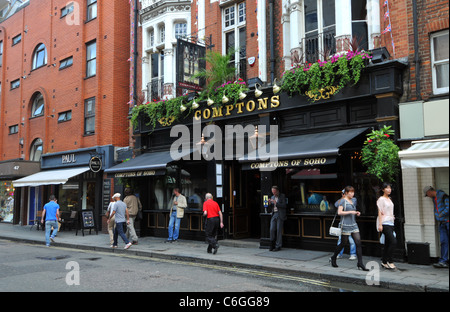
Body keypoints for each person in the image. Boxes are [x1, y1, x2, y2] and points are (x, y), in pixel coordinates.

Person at [329, 186, 368, 271]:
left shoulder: (353, 200)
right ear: (346, 193)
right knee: (343, 243)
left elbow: (353, 211)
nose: (352, 194)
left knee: (358, 243)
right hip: (345, 225)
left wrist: (357, 212)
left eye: (353, 192)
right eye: (350, 192)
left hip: (353, 225)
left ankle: (360, 263)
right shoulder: (342, 201)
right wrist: (350, 212)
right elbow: (339, 212)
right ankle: (334, 257)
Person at [424, 186, 449, 268]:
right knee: (443, 242)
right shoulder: (433, 198)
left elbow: (448, 207)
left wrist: (441, 214)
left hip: (448, 222)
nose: (428, 196)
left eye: (427, 194)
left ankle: (443, 260)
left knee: (444, 241)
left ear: (429, 191)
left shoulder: (443, 195)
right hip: (442, 223)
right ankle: (443, 261)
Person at [377, 182, 397, 270]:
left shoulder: (390, 199)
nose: (389, 190)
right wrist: (380, 224)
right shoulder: (381, 199)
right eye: (387, 188)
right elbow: (379, 212)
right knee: (393, 242)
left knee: (388, 243)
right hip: (385, 223)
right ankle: (390, 261)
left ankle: (384, 262)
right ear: (383, 189)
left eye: (390, 188)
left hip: (391, 222)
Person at [335, 191, 356, 260]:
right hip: (343, 223)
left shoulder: (353, 199)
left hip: (350, 224)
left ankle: (353, 254)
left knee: (351, 240)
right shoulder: (341, 201)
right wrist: (342, 198)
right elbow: (336, 205)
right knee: (340, 239)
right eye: (343, 193)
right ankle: (339, 253)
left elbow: (353, 205)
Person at [269, 186, 287, 251]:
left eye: (274, 192)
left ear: (277, 191)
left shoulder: (282, 196)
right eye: (272, 192)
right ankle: (272, 244)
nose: (273, 193)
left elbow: (284, 206)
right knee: (272, 229)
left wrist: (276, 203)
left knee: (279, 230)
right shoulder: (272, 197)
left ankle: (278, 245)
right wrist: (270, 203)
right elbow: (271, 207)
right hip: (274, 214)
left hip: (280, 214)